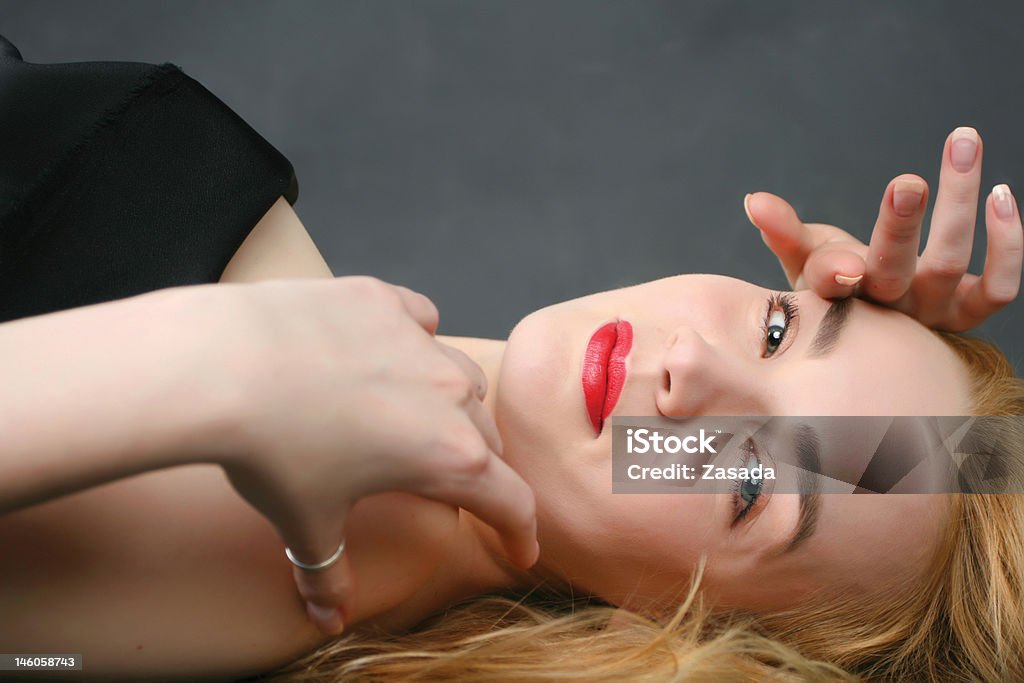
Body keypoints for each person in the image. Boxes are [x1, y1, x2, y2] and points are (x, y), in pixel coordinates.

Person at [0, 39, 1021, 681]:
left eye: (750, 482)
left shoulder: (298, 539)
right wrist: (931, 401)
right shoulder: (348, 428)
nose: (694, 375)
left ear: (686, 624)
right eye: (772, 327)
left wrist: (215, 364)